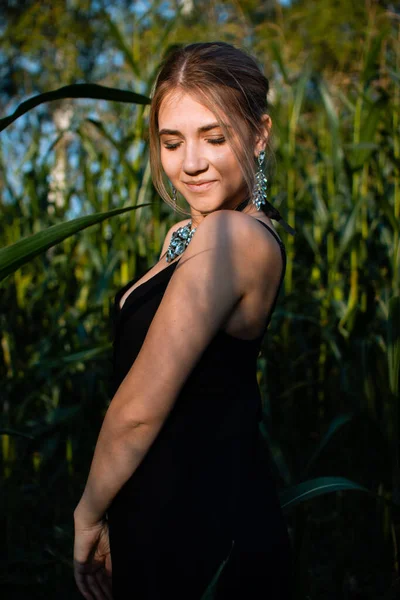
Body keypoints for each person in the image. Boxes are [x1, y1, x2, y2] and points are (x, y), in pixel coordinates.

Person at [73, 41, 296, 599]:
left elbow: (140, 410)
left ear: (260, 133)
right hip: (161, 516)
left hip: (203, 530)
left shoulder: (232, 237)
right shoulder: (188, 237)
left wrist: (87, 512)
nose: (190, 163)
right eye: (172, 142)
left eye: (214, 138)